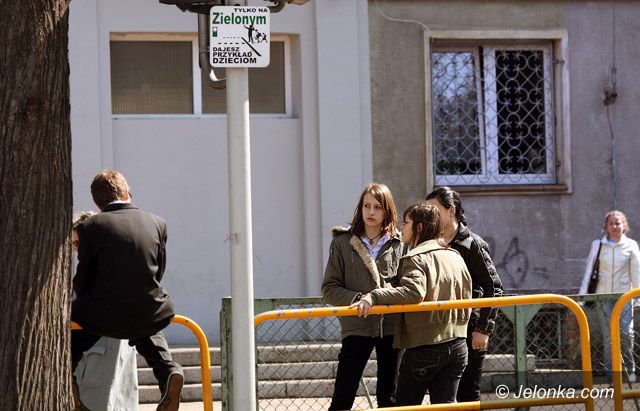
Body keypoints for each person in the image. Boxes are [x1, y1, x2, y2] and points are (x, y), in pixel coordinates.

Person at [71, 170, 183, 411]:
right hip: (149, 309)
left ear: (97, 202)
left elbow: (83, 278)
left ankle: (71, 388)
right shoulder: (157, 222)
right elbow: (158, 270)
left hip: (102, 315)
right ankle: (169, 371)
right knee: (147, 331)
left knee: (70, 344)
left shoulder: (90, 227)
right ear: (126, 192)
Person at [352, 203, 472, 405]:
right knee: (445, 406)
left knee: (405, 406)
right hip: (458, 343)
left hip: (425, 344)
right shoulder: (455, 256)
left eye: (406, 223)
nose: (402, 228)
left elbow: (414, 292)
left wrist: (374, 296)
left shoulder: (415, 257)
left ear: (419, 227)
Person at [321, 183, 405, 410]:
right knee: (343, 395)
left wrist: (378, 298)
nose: (371, 212)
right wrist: (358, 298)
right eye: (366, 206)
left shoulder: (400, 243)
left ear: (387, 210)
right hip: (357, 325)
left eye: (377, 207)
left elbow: (406, 288)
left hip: (392, 326)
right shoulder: (342, 242)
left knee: (389, 397)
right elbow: (329, 288)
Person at [425, 186, 503, 402]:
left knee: (467, 394)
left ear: (451, 210)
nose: (430, 216)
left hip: (469, 330)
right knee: (441, 396)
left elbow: (493, 287)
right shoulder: (430, 243)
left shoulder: (472, 244)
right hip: (439, 331)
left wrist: (483, 329)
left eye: (434, 210)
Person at [71, 211, 139, 410]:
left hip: (99, 353)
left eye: (77, 243)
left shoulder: (99, 269)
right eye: (73, 244)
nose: (75, 249)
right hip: (108, 352)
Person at [579, 210, 640, 382]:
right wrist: (583, 295)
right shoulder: (598, 245)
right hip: (603, 297)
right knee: (609, 337)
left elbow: (637, 272)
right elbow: (589, 270)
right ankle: (612, 376)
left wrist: (637, 298)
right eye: (611, 223)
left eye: (618, 223)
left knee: (626, 334)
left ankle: (629, 372)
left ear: (624, 225)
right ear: (606, 226)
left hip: (624, 297)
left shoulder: (631, 245)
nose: (614, 226)